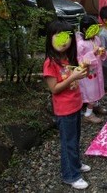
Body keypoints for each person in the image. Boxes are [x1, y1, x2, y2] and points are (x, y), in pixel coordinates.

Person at [43, 20, 91, 190]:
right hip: (64, 110)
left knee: (75, 139)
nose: (63, 41)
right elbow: (54, 89)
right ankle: (70, 175)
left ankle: (75, 164)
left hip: (76, 105)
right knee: (68, 142)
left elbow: (76, 80)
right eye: (59, 37)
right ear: (50, 39)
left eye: (67, 37)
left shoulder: (67, 59)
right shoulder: (50, 63)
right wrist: (72, 78)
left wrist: (84, 71)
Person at [76, 15, 107, 124]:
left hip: (97, 70)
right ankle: (88, 114)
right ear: (85, 29)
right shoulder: (81, 44)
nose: (96, 31)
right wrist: (92, 53)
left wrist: (103, 53)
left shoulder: (96, 39)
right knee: (91, 92)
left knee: (98, 89)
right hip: (88, 74)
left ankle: (96, 105)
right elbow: (79, 60)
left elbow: (100, 53)